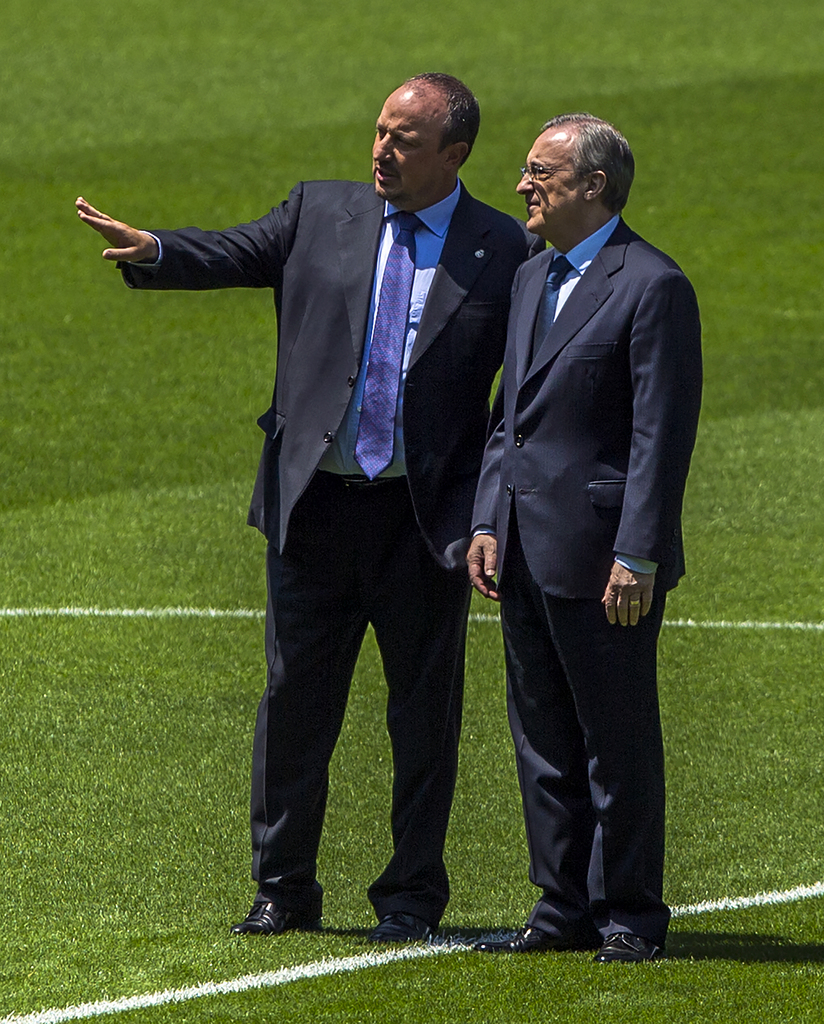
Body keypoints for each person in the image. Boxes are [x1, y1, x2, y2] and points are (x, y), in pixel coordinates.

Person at [77, 73, 538, 943]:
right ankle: (283, 889)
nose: (381, 150)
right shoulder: (321, 210)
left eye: (404, 140)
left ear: (456, 154)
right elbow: (236, 251)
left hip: (421, 523)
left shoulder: (501, 248)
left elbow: (520, 396)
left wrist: (493, 513)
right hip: (314, 511)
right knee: (294, 706)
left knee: (423, 720)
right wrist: (153, 251)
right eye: (379, 131)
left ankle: (409, 898)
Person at [466, 113, 702, 962]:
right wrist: (489, 519)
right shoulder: (535, 277)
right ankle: (560, 909)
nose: (523, 185)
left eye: (541, 173)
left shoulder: (652, 284)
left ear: (592, 186)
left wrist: (637, 553)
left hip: (606, 557)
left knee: (616, 741)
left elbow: (659, 435)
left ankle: (631, 915)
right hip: (525, 545)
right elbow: (509, 422)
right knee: (541, 740)